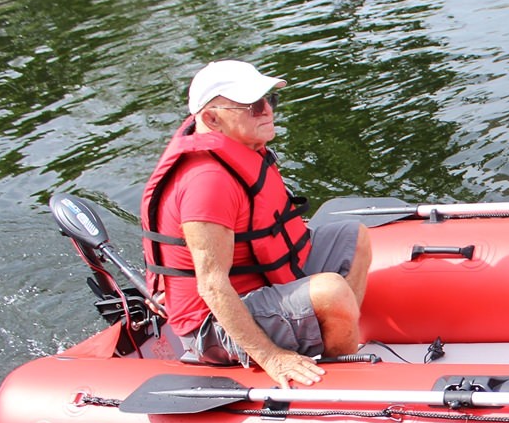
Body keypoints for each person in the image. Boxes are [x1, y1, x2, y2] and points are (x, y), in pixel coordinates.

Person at [141, 60, 371, 388]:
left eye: (269, 100)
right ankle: (339, 382)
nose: (266, 110)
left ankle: (335, 348)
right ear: (211, 119)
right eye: (251, 105)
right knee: (332, 291)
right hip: (213, 325)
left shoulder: (240, 147)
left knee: (353, 236)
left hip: (258, 283)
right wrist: (271, 356)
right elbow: (212, 286)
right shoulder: (207, 182)